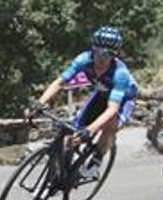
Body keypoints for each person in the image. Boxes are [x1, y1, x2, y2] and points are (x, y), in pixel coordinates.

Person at [31, 25, 139, 180]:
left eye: (107, 54)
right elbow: (60, 83)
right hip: (101, 93)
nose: (101, 58)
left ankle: (97, 160)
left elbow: (112, 109)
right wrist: (39, 103)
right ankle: (64, 173)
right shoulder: (83, 59)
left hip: (123, 100)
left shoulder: (120, 74)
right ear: (92, 49)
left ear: (114, 55)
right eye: (97, 52)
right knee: (71, 135)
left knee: (110, 125)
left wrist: (90, 130)